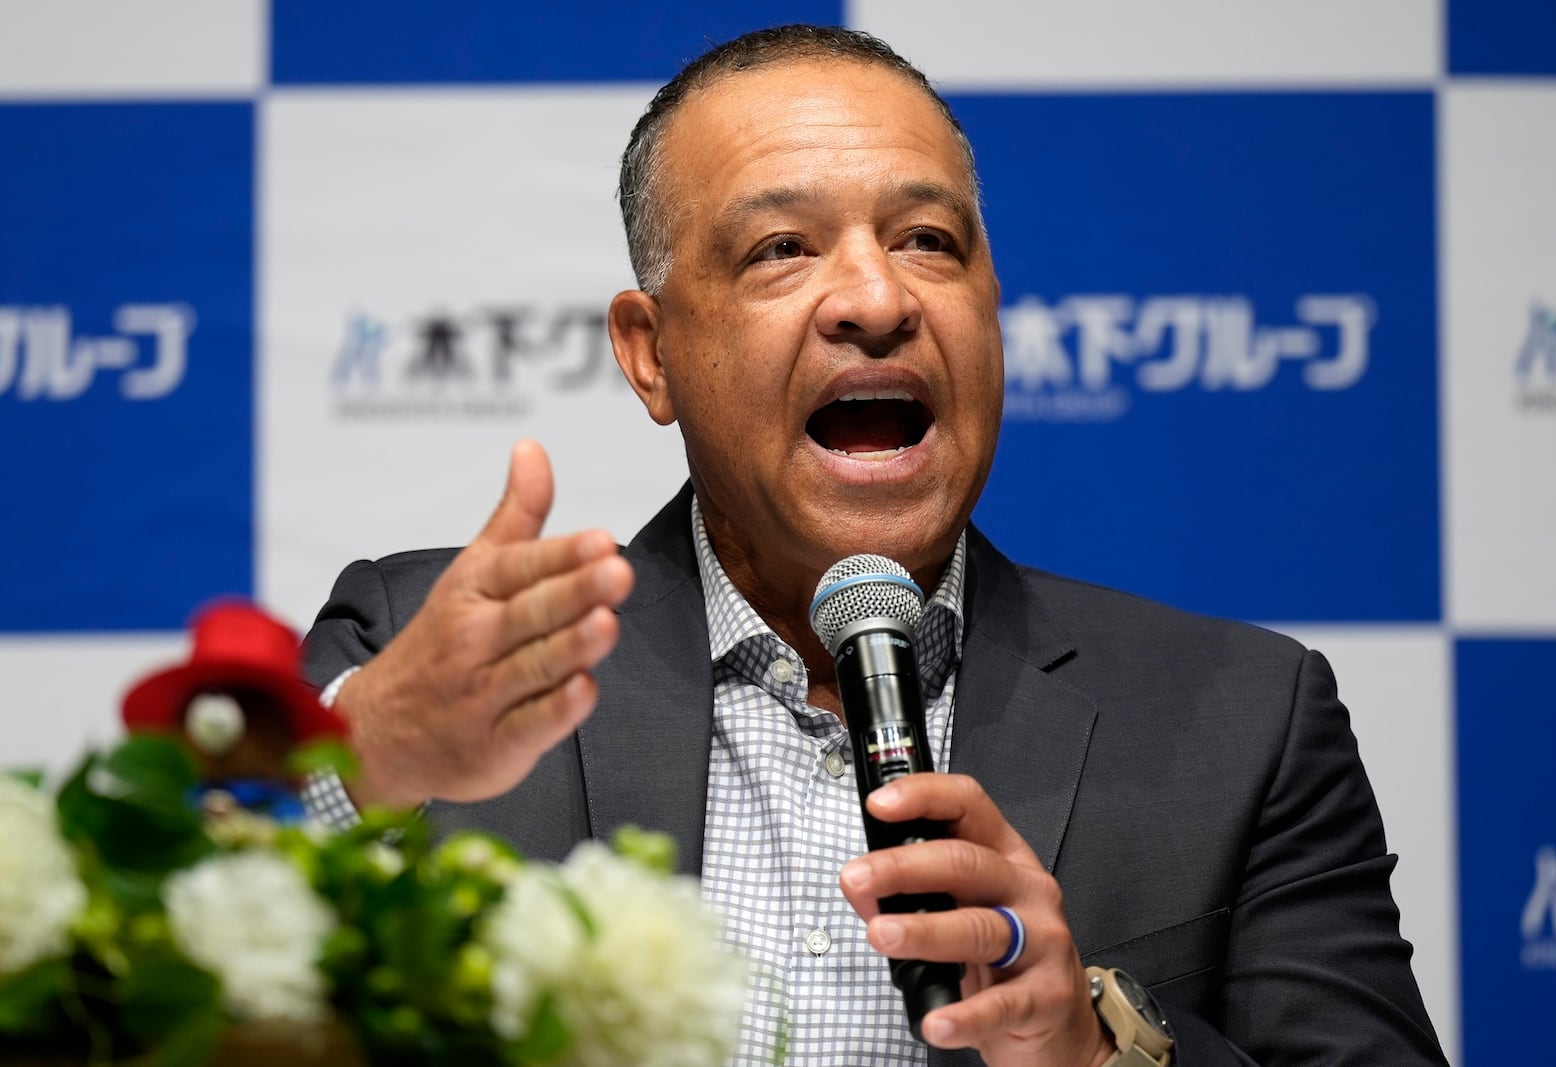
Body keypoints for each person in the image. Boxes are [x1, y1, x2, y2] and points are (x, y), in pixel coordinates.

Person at [302, 24, 1449, 1067]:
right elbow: (166, 967)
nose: (874, 296)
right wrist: (368, 762)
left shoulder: (1242, 721)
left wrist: (1089, 1049)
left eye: (927, 240)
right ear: (650, 353)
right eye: (781, 248)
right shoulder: (433, 657)